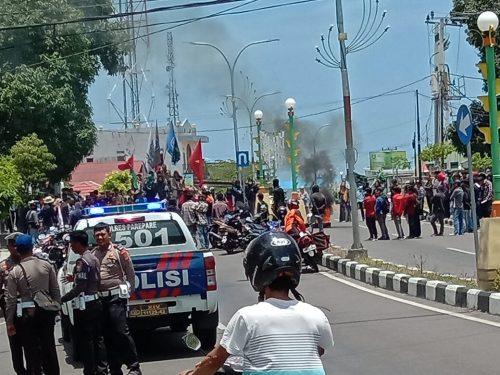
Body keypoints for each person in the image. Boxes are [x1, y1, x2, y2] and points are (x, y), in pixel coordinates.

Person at [179, 232, 334, 375]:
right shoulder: (316, 315)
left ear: (255, 270)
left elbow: (215, 360)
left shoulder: (248, 317)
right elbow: (318, 350)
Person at [6, 234, 61, 375]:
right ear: (32, 248)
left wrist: (10, 322)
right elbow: (55, 290)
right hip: (46, 313)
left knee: (32, 352)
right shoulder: (46, 265)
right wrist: (55, 309)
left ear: (18, 250)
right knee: (49, 348)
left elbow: (11, 300)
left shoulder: (15, 271)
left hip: (27, 316)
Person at [92, 223, 141, 375]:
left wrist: (129, 293)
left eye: (103, 234)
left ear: (109, 234)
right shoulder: (93, 254)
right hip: (100, 299)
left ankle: (134, 367)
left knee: (121, 332)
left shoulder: (119, 252)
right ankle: (115, 368)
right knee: (106, 335)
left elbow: (130, 273)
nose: (100, 237)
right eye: (97, 235)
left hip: (116, 298)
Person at [62, 230, 107, 375]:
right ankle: (101, 369)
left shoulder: (82, 261)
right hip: (95, 302)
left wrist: (62, 299)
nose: (72, 247)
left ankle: (90, 370)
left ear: (77, 243)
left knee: (87, 340)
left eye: (72, 244)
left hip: (86, 306)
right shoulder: (93, 258)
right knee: (98, 339)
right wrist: (74, 278)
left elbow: (80, 287)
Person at [1, 232, 28, 375]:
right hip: (12, 310)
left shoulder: (30, 261)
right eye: (13, 245)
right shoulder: (3, 266)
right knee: (16, 347)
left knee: (34, 346)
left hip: (30, 309)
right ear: (9, 247)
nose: (16, 248)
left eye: (18, 245)